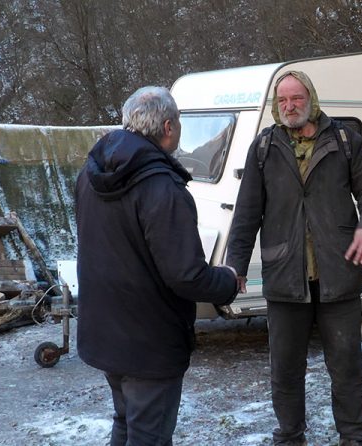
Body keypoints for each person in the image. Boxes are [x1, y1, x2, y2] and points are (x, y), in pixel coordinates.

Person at [227, 71, 362, 446]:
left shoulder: (344, 140)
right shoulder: (264, 148)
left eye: (296, 98)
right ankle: (289, 437)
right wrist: (236, 264)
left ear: (311, 98)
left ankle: (354, 436)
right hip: (285, 278)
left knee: (347, 367)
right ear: (274, 105)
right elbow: (247, 212)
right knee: (284, 370)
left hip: (339, 275)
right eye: (282, 100)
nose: (289, 106)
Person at [75, 86, 238, 446]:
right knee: (149, 436)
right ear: (168, 127)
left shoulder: (89, 175)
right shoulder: (163, 188)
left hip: (105, 332)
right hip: (149, 341)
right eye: (178, 122)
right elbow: (186, 275)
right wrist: (227, 281)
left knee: (127, 424)